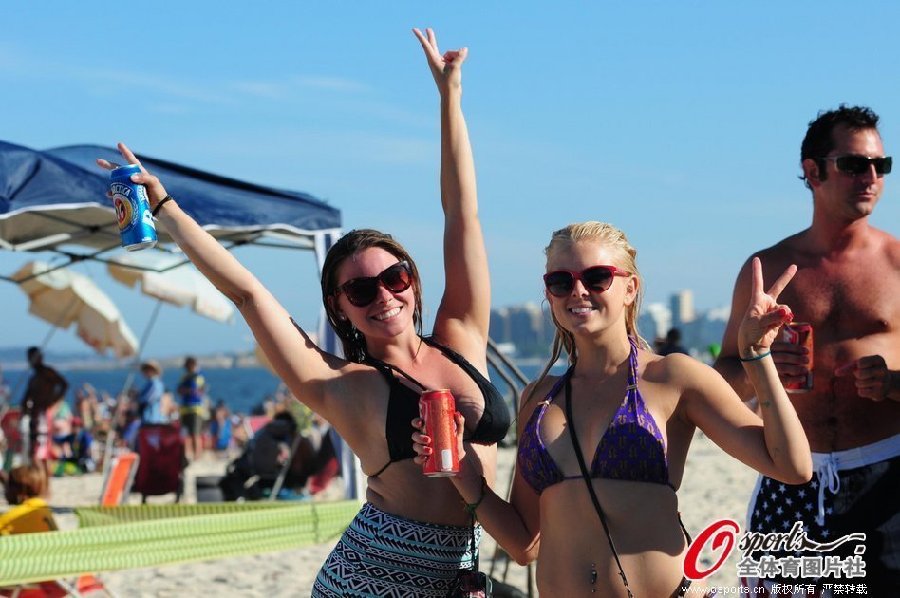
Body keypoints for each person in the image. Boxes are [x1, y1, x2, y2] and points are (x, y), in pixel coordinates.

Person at [96, 27, 510, 597]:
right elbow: (249, 295)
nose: (384, 295)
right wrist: (167, 210)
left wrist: (450, 98)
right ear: (340, 308)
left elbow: (461, 213)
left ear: (413, 283)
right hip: (373, 575)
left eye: (395, 278)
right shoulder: (340, 384)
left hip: (459, 568)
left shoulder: (460, 338)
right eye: (361, 291)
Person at [415, 221, 812, 597]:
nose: (578, 291)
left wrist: (757, 357)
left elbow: (791, 467)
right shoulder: (538, 397)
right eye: (560, 281)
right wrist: (464, 475)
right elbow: (524, 544)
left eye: (596, 277)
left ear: (630, 288)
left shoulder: (673, 377)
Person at [715, 105, 900, 594]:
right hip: (789, 480)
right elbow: (722, 383)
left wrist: (894, 384)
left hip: (886, 476)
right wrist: (760, 365)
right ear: (813, 171)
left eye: (881, 166)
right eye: (854, 164)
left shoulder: (899, 266)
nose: (871, 178)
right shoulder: (768, 269)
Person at [20, 347, 68, 468]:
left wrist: (53, 402)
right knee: (34, 447)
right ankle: (36, 474)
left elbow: (63, 384)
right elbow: (26, 397)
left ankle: (41, 475)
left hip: (42, 414)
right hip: (34, 415)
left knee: (41, 447)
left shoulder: (46, 373)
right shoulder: (34, 377)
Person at [176, 356, 206, 460]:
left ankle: (197, 456)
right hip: (185, 409)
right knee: (186, 435)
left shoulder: (198, 377)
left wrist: (189, 390)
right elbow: (179, 390)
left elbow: (201, 391)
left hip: (195, 409)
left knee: (195, 434)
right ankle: (187, 455)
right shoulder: (184, 377)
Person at [136, 360, 168, 426]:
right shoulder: (150, 383)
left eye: (147, 370)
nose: (145, 372)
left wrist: (137, 399)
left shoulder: (155, 384)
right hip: (148, 417)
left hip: (153, 418)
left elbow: (148, 399)